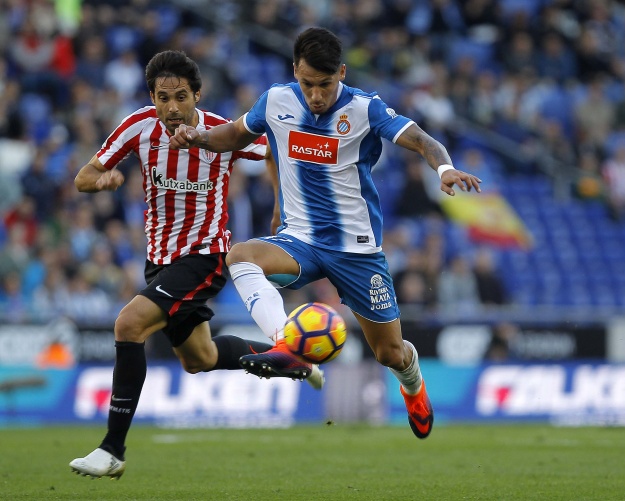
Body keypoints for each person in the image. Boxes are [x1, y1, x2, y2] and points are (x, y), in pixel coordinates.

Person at [170, 28, 482, 439]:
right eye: (308, 84)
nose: (316, 95)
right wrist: (199, 138)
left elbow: (423, 140)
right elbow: (234, 134)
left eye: (326, 84)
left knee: (389, 352)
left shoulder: (366, 109)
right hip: (300, 239)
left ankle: (413, 385)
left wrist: (444, 169)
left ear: (343, 72)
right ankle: (286, 345)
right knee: (240, 255)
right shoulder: (276, 100)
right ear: (294, 71)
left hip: (357, 251)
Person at [68, 50, 324, 480]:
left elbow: (275, 151)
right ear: (152, 96)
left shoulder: (220, 133)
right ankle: (291, 358)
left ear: (197, 96)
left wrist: (281, 206)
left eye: (181, 97)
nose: (172, 108)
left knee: (128, 325)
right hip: (159, 261)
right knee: (200, 358)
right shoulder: (137, 127)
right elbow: (84, 176)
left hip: (205, 255)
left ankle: (112, 450)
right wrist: (104, 181)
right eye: (163, 97)